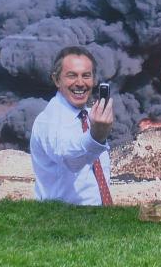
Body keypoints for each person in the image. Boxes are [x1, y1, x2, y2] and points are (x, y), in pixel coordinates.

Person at [30, 46, 115, 206]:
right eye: (72, 76)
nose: (80, 83)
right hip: (62, 222)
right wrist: (95, 137)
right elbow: (70, 160)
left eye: (86, 76)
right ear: (56, 80)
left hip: (98, 219)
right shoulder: (49, 121)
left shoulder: (91, 116)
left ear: (94, 80)